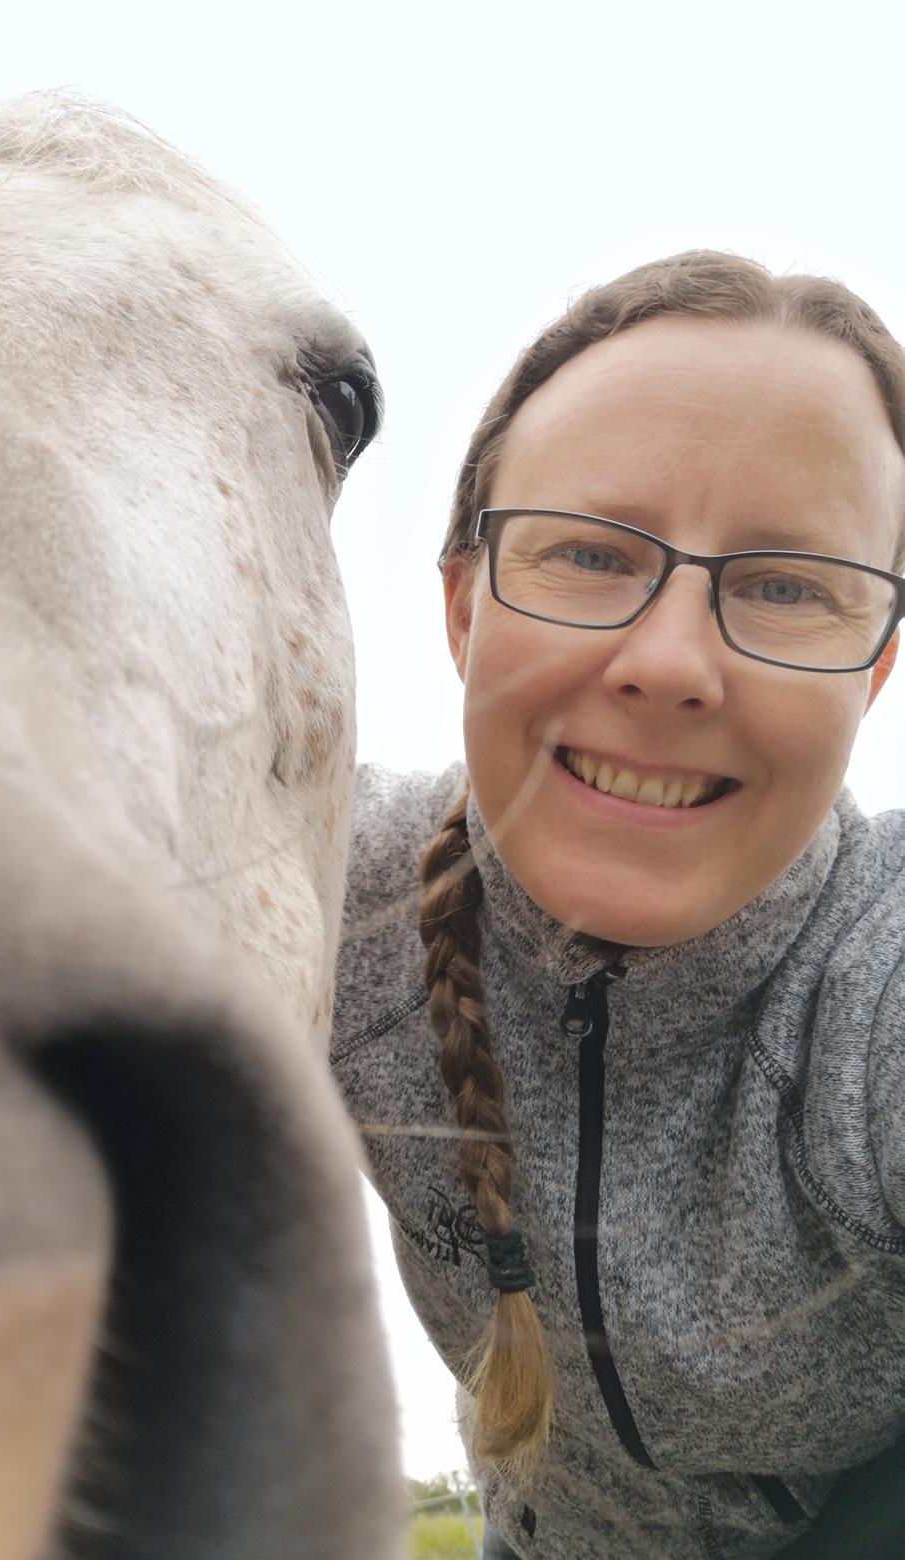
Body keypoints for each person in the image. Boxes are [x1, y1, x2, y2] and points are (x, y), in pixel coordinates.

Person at [331, 251, 905, 1559]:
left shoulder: (876, 980)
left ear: (871, 673)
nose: (666, 664)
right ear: (462, 608)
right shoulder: (329, 891)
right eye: (588, 553)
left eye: (783, 584)